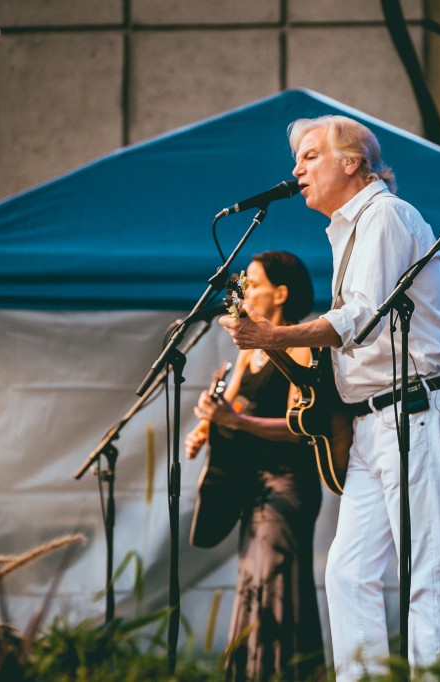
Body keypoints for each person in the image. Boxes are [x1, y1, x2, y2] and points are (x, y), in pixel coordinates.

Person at [219, 115, 440, 680]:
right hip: (371, 420)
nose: (295, 170)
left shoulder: (384, 217)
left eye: (308, 157)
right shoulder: (350, 229)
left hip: (413, 410)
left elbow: (362, 318)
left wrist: (274, 336)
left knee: (426, 572)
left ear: (350, 162)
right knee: (349, 572)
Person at [184, 250, 325, 682]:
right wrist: (210, 427)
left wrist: (236, 420)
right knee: (254, 588)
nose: (245, 293)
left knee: (277, 588)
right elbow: (237, 408)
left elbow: (299, 426)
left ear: (280, 294)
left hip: (286, 486)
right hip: (252, 486)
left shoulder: (299, 345)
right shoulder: (249, 353)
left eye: (255, 284)